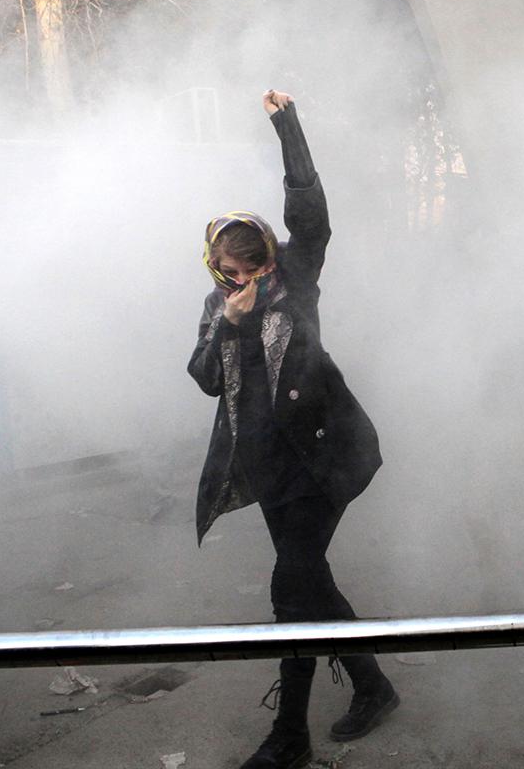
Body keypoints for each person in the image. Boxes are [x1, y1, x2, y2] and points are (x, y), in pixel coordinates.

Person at [188, 90, 399, 769]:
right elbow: (204, 377)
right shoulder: (216, 307)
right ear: (217, 265)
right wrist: (227, 323)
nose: (242, 282)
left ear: (271, 261)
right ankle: (373, 687)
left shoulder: (296, 282)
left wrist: (289, 126)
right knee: (313, 584)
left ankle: (290, 737)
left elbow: (311, 219)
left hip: (323, 464)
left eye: (254, 269)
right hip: (268, 472)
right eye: (230, 272)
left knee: (291, 592)